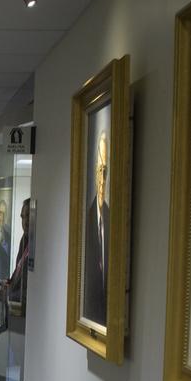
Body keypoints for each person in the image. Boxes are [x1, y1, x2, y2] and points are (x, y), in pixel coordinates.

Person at [82, 130, 109, 325]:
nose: (102, 179)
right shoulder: (85, 221)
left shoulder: (112, 220)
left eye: (105, 171)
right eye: (99, 170)